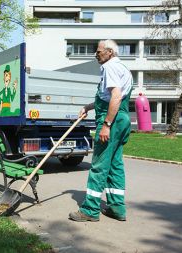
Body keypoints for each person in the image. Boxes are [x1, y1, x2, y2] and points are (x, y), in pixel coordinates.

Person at [69, 39, 132, 222]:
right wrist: (88, 107)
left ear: (110, 52)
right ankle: (117, 208)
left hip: (112, 119)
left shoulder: (109, 67)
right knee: (114, 165)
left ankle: (90, 210)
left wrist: (106, 125)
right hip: (122, 119)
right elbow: (106, 98)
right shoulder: (123, 68)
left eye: (99, 51)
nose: (96, 54)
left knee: (98, 165)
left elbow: (115, 96)